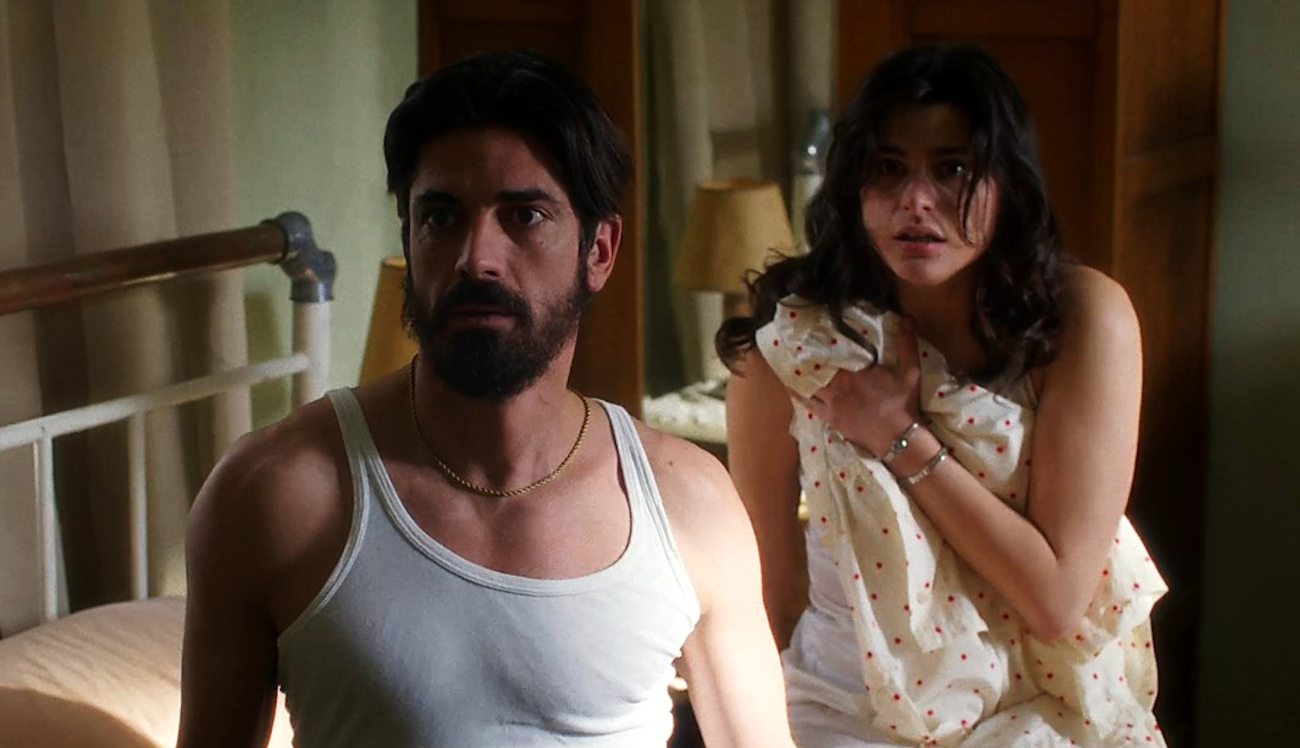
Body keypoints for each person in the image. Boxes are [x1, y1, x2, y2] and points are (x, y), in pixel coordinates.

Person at [178, 49, 795, 748]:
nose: (476, 257)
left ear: (600, 250)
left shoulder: (689, 503)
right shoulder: (274, 494)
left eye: (523, 215)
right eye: (440, 218)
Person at [719, 44, 1168, 748]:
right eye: (888, 169)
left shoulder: (1084, 320)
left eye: (953, 169)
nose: (915, 202)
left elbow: (1056, 600)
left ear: (1006, 182)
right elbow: (759, 599)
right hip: (841, 708)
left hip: (1032, 709)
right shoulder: (795, 345)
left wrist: (899, 438)